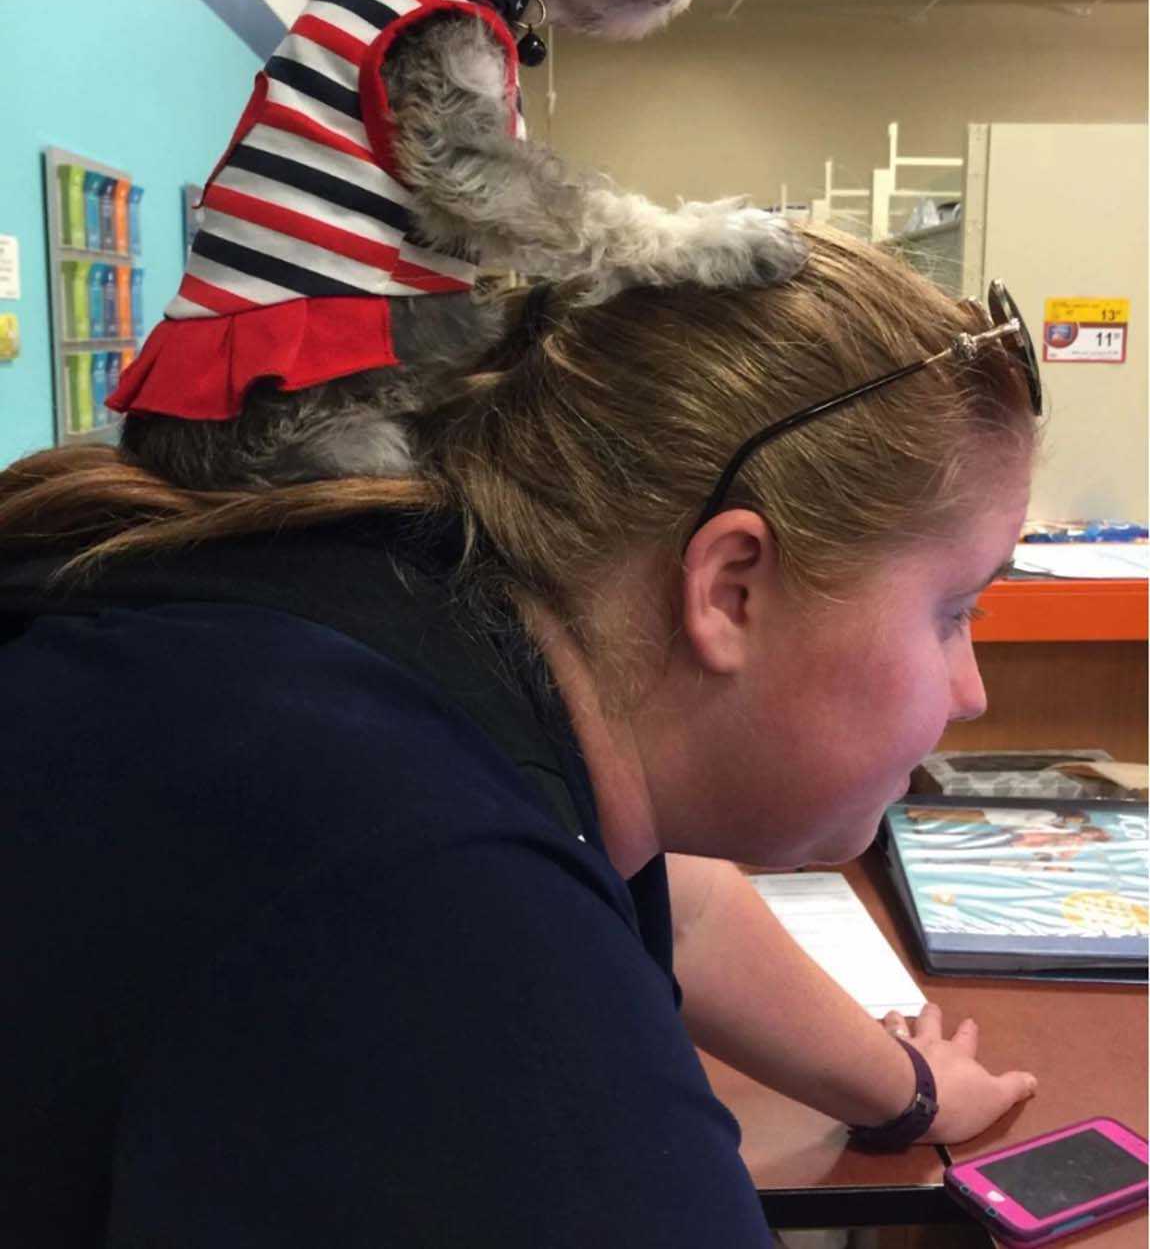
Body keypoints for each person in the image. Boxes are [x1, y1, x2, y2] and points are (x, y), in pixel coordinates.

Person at [0, 226, 1041, 1247]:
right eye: (953, 611)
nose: (970, 690)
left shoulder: (400, 613)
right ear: (731, 588)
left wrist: (904, 1090)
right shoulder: (435, 915)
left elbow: (681, 906)